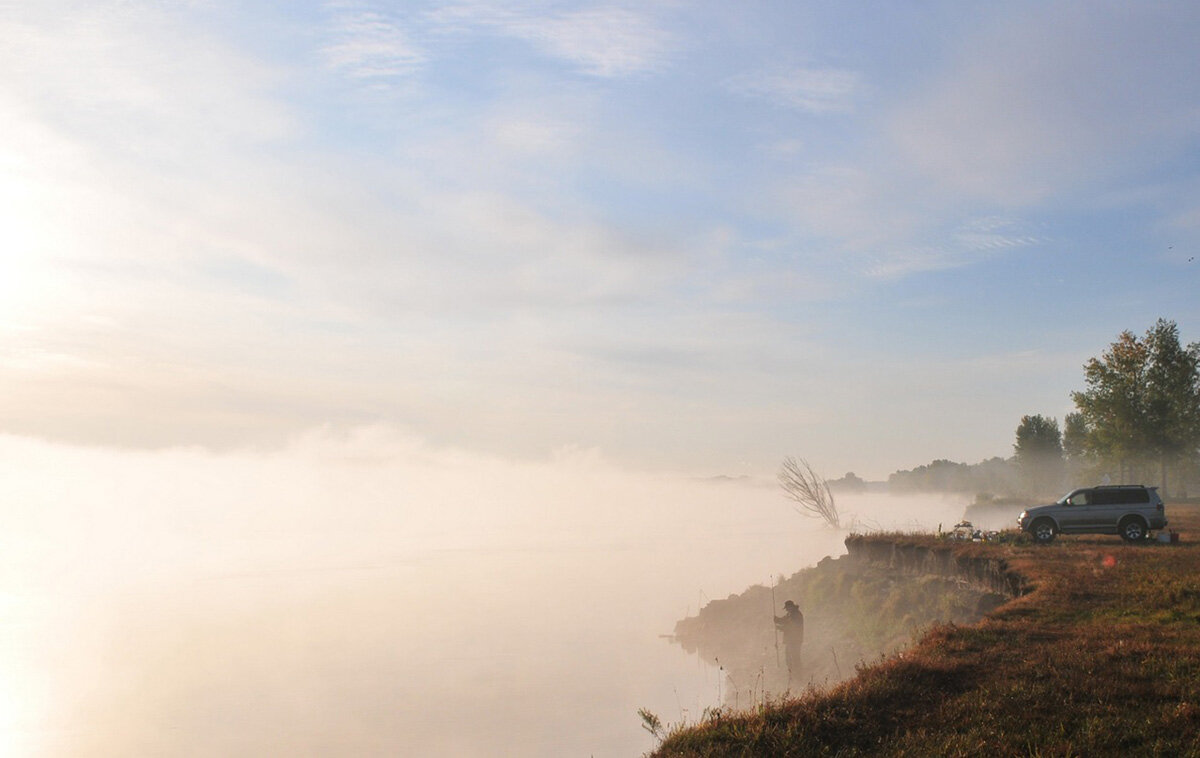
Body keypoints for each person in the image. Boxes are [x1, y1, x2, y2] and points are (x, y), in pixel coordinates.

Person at [774, 600, 804, 685]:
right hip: (790, 641)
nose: (786, 610)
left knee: (795, 658)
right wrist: (777, 620)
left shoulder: (796, 615)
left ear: (791, 607)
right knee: (788, 659)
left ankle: (798, 677)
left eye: (787, 608)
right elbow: (784, 620)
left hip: (795, 640)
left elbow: (792, 627)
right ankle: (792, 676)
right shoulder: (790, 614)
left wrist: (781, 628)